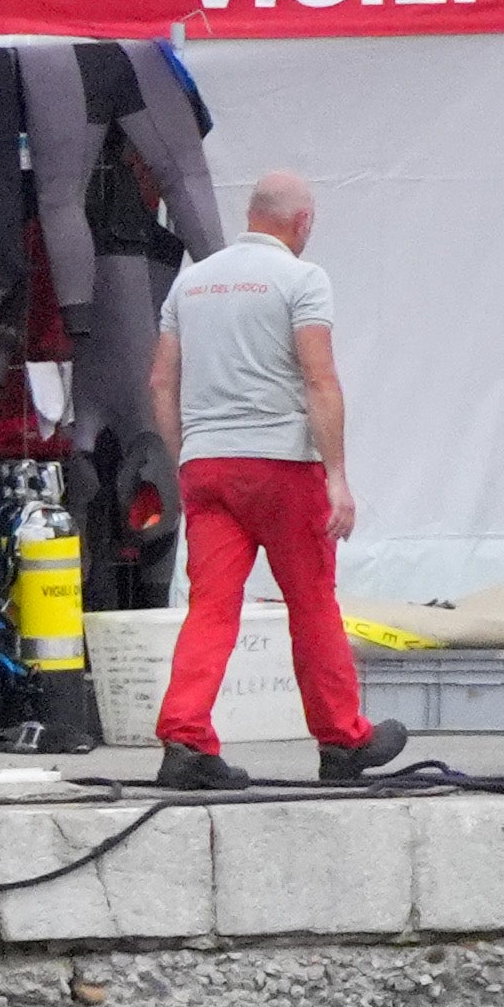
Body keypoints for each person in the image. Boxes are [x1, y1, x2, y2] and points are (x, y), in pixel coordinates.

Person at [145, 169, 399, 793]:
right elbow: (319, 380)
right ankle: (342, 741)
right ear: (302, 222)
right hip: (281, 465)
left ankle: (185, 739)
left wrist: (187, 460)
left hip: (207, 466)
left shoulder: (192, 283)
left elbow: (160, 383)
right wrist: (337, 477)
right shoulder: (302, 279)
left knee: (211, 607)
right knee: (311, 603)